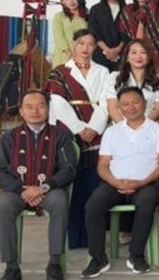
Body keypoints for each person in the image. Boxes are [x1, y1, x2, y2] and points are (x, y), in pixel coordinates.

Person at [81, 87, 159, 277]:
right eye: (126, 104)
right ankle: (98, 258)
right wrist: (115, 182)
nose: (131, 107)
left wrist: (141, 182)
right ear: (119, 107)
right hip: (114, 184)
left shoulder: (158, 130)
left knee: (146, 205)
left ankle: (136, 255)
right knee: (93, 206)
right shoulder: (111, 132)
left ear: (145, 104)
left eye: (136, 102)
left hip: (146, 184)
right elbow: (103, 165)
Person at [0, 90, 78, 280]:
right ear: (21, 111)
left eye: (40, 106)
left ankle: (54, 264)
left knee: (60, 203)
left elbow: (69, 169)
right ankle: (12, 267)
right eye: (29, 107)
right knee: (2, 205)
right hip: (17, 191)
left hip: (49, 189)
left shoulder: (61, 136)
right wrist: (22, 190)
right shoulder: (9, 138)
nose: (35, 111)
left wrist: (44, 187)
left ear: (48, 109)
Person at [43, 28, 110, 249]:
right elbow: (58, 103)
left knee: (92, 186)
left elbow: (104, 102)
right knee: (71, 187)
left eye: (90, 44)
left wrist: (94, 128)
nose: (85, 48)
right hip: (69, 132)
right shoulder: (60, 72)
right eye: (81, 43)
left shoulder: (104, 71)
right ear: (73, 45)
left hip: (97, 134)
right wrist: (80, 129)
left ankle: (92, 238)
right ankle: (72, 238)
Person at [104, 39, 159, 123]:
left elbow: (158, 109)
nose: (138, 57)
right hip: (121, 127)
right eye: (134, 52)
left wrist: (141, 126)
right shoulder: (114, 78)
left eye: (143, 52)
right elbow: (112, 108)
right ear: (127, 57)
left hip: (150, 126)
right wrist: (127, 128)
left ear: (149, 57)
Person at [87, 0, 130, 71]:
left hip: (122, 52)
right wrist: (107, 50)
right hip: (101, 52)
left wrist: (118, 49)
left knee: (120, 80)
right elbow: (94, 31)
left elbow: (128, 32)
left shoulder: (127, 9)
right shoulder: (96, 9)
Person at [51, 0, 88, 67]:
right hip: (64, 56)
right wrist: (69, 53)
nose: (71, 1)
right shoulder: (59, 16)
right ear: (62, 2)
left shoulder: (87, 16)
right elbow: (58, 37)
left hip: (83, 55)